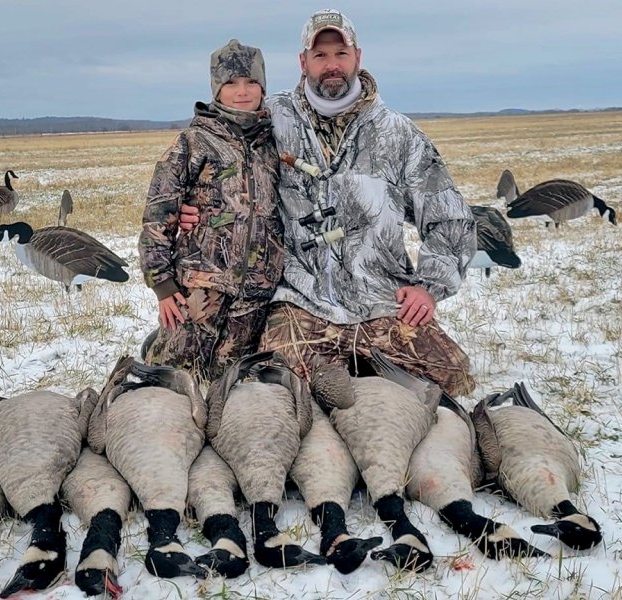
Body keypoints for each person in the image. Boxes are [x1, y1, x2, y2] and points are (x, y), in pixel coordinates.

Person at [181, 10, 476, 396]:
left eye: (341, 53)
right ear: (303, 63)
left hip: (381, 297)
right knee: (272, 389)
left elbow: (449, 219)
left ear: (358, 57)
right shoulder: (271, 120)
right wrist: (197, 207)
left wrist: (428, 286)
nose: (331, 65)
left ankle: (365, 368)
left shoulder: (396, 133)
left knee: (454, 376)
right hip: (300, 300)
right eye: (320, 56)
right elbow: (215, 148)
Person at [138, 39, 284, 381]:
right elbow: (159, 214)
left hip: (256, 294)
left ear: (263, 87)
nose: (242, 91)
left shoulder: (274, 144)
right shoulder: (194, 142)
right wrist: (163, 286)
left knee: (233, 382)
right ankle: (155, 348)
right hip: (200, 289)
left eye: (251, 82)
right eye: (231, 83)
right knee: (171, 380)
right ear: (216, 88)